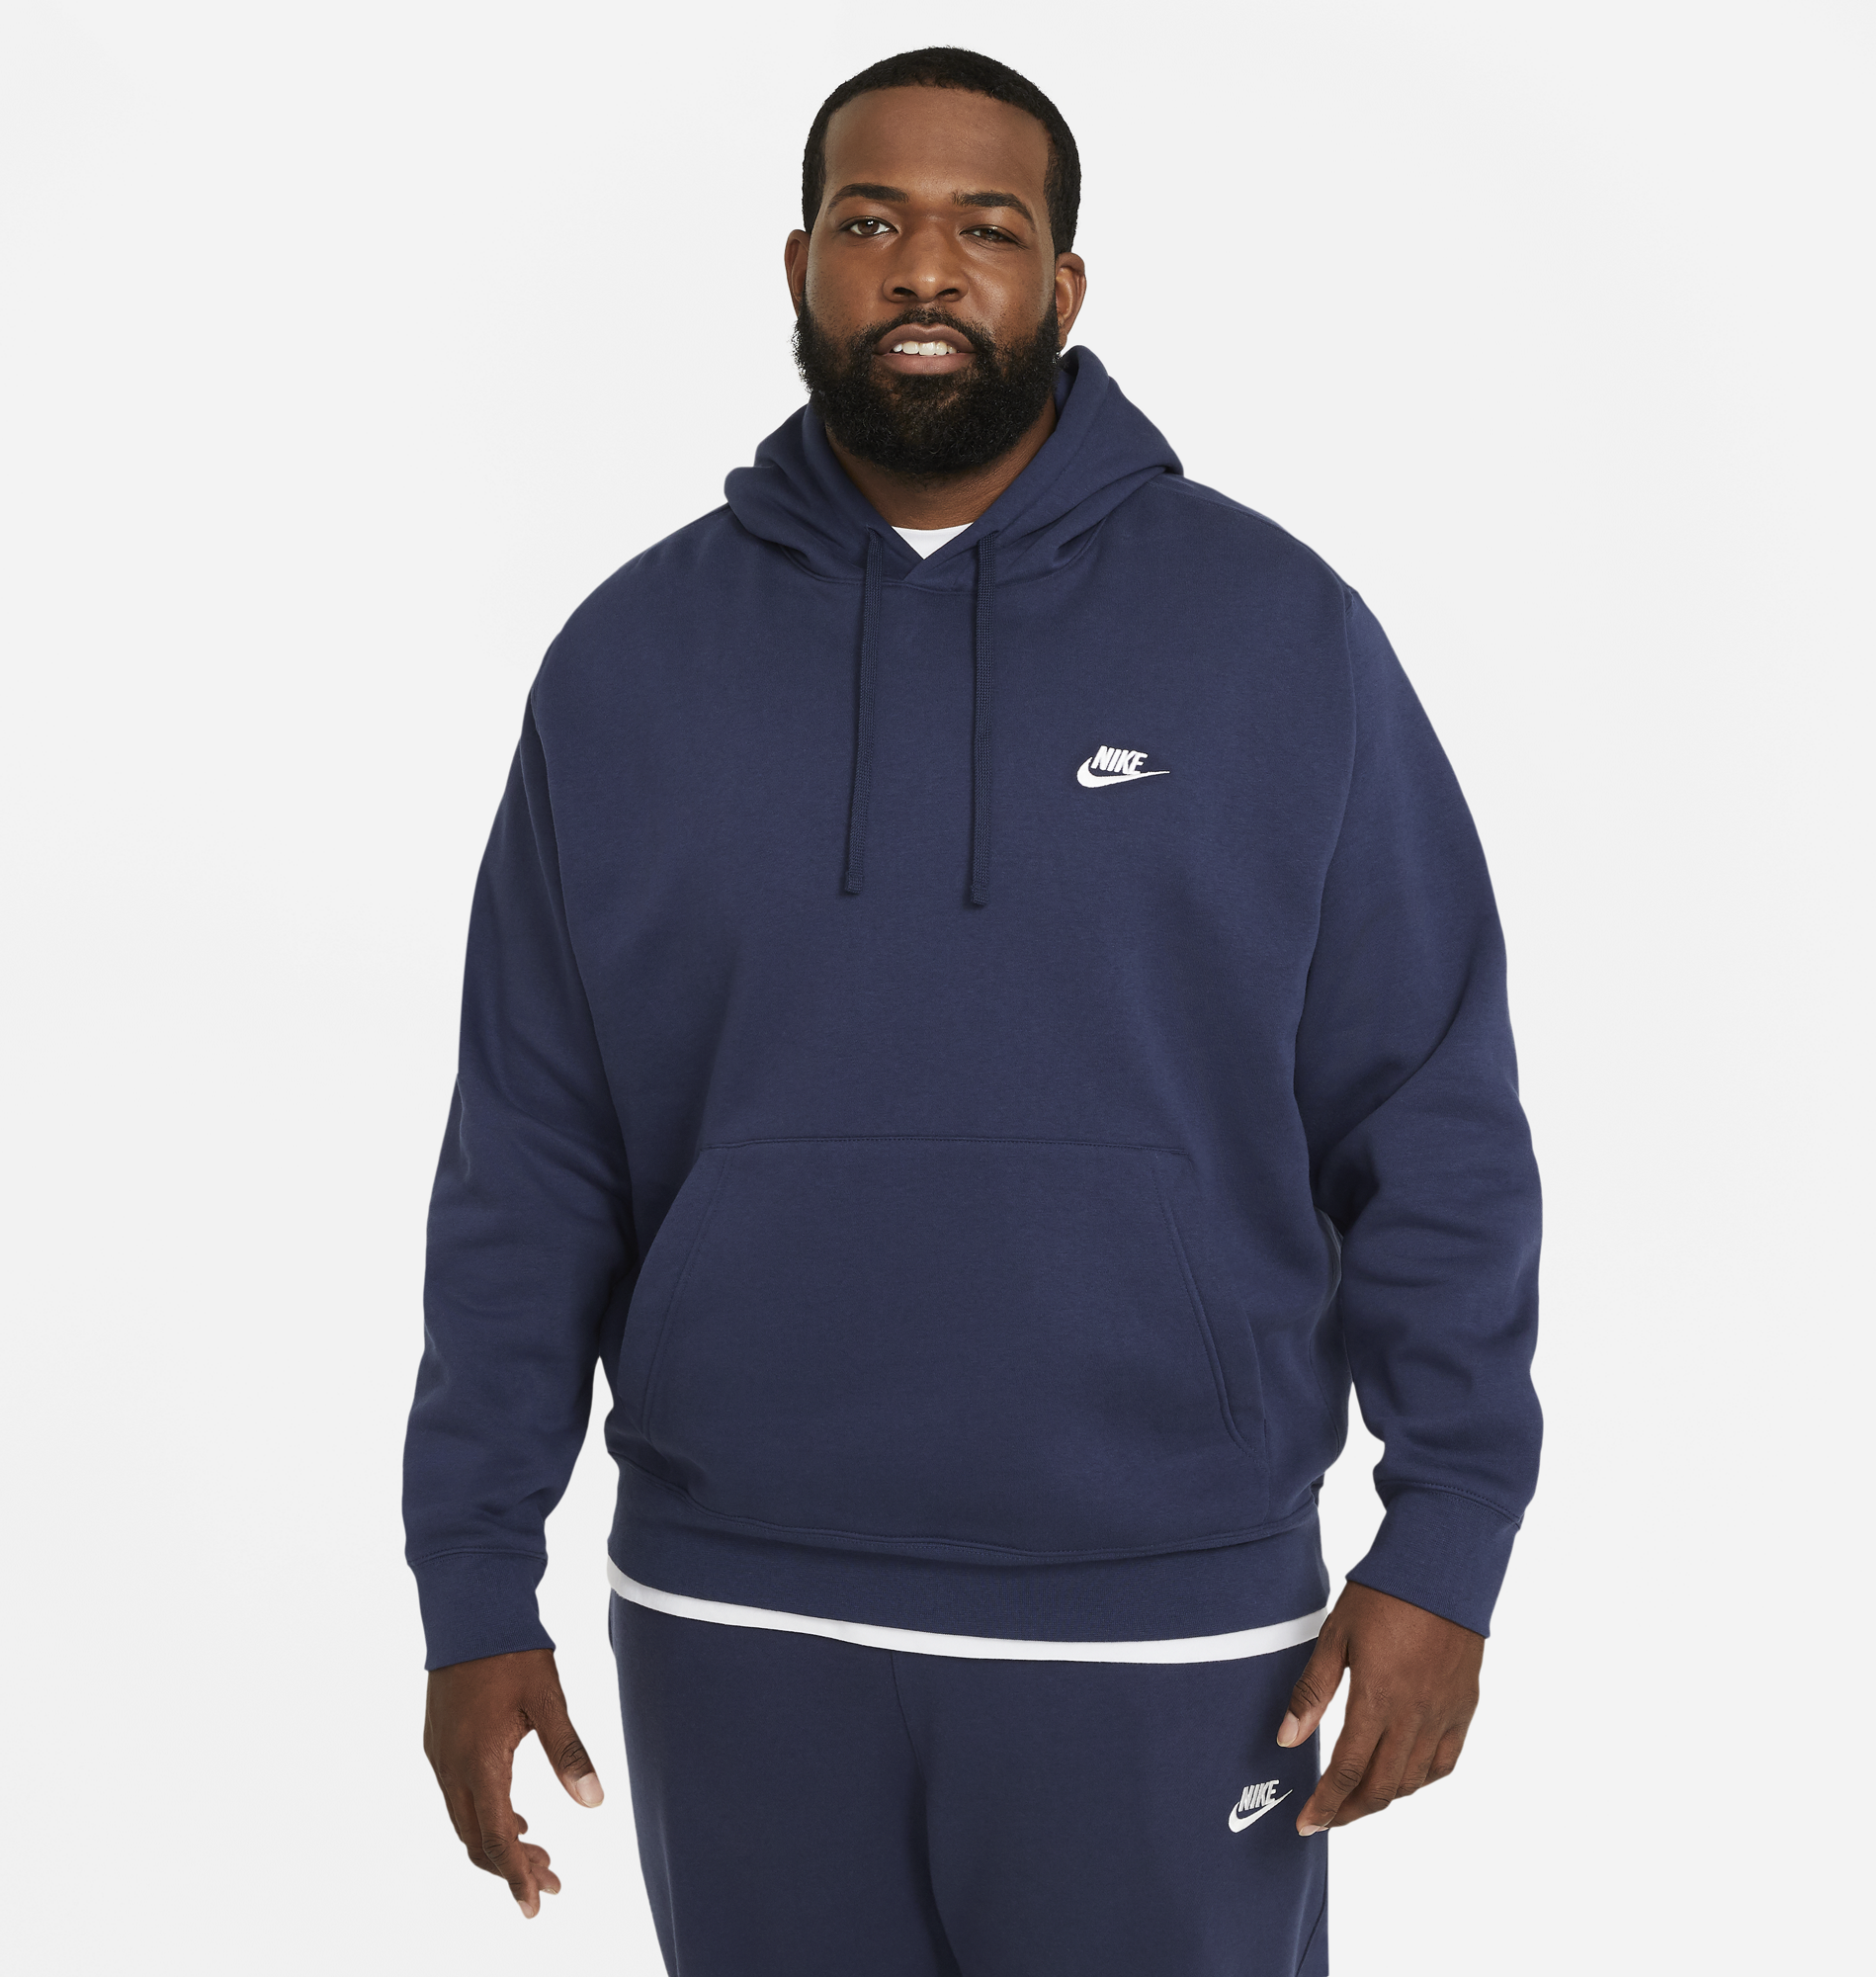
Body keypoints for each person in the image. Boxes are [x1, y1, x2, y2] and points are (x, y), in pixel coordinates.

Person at [404, 44, 1542, 1976]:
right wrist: (469, 1581)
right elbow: (529, 1153)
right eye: (871, 220)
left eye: (985, 227)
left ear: (1061, 285)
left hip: (1166, 1615)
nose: (924, 266)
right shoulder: (627, 664)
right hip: (734, 1615)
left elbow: (1429, 1114)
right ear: (799, 265)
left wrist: (1448, 1541)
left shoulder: (1278, 637)